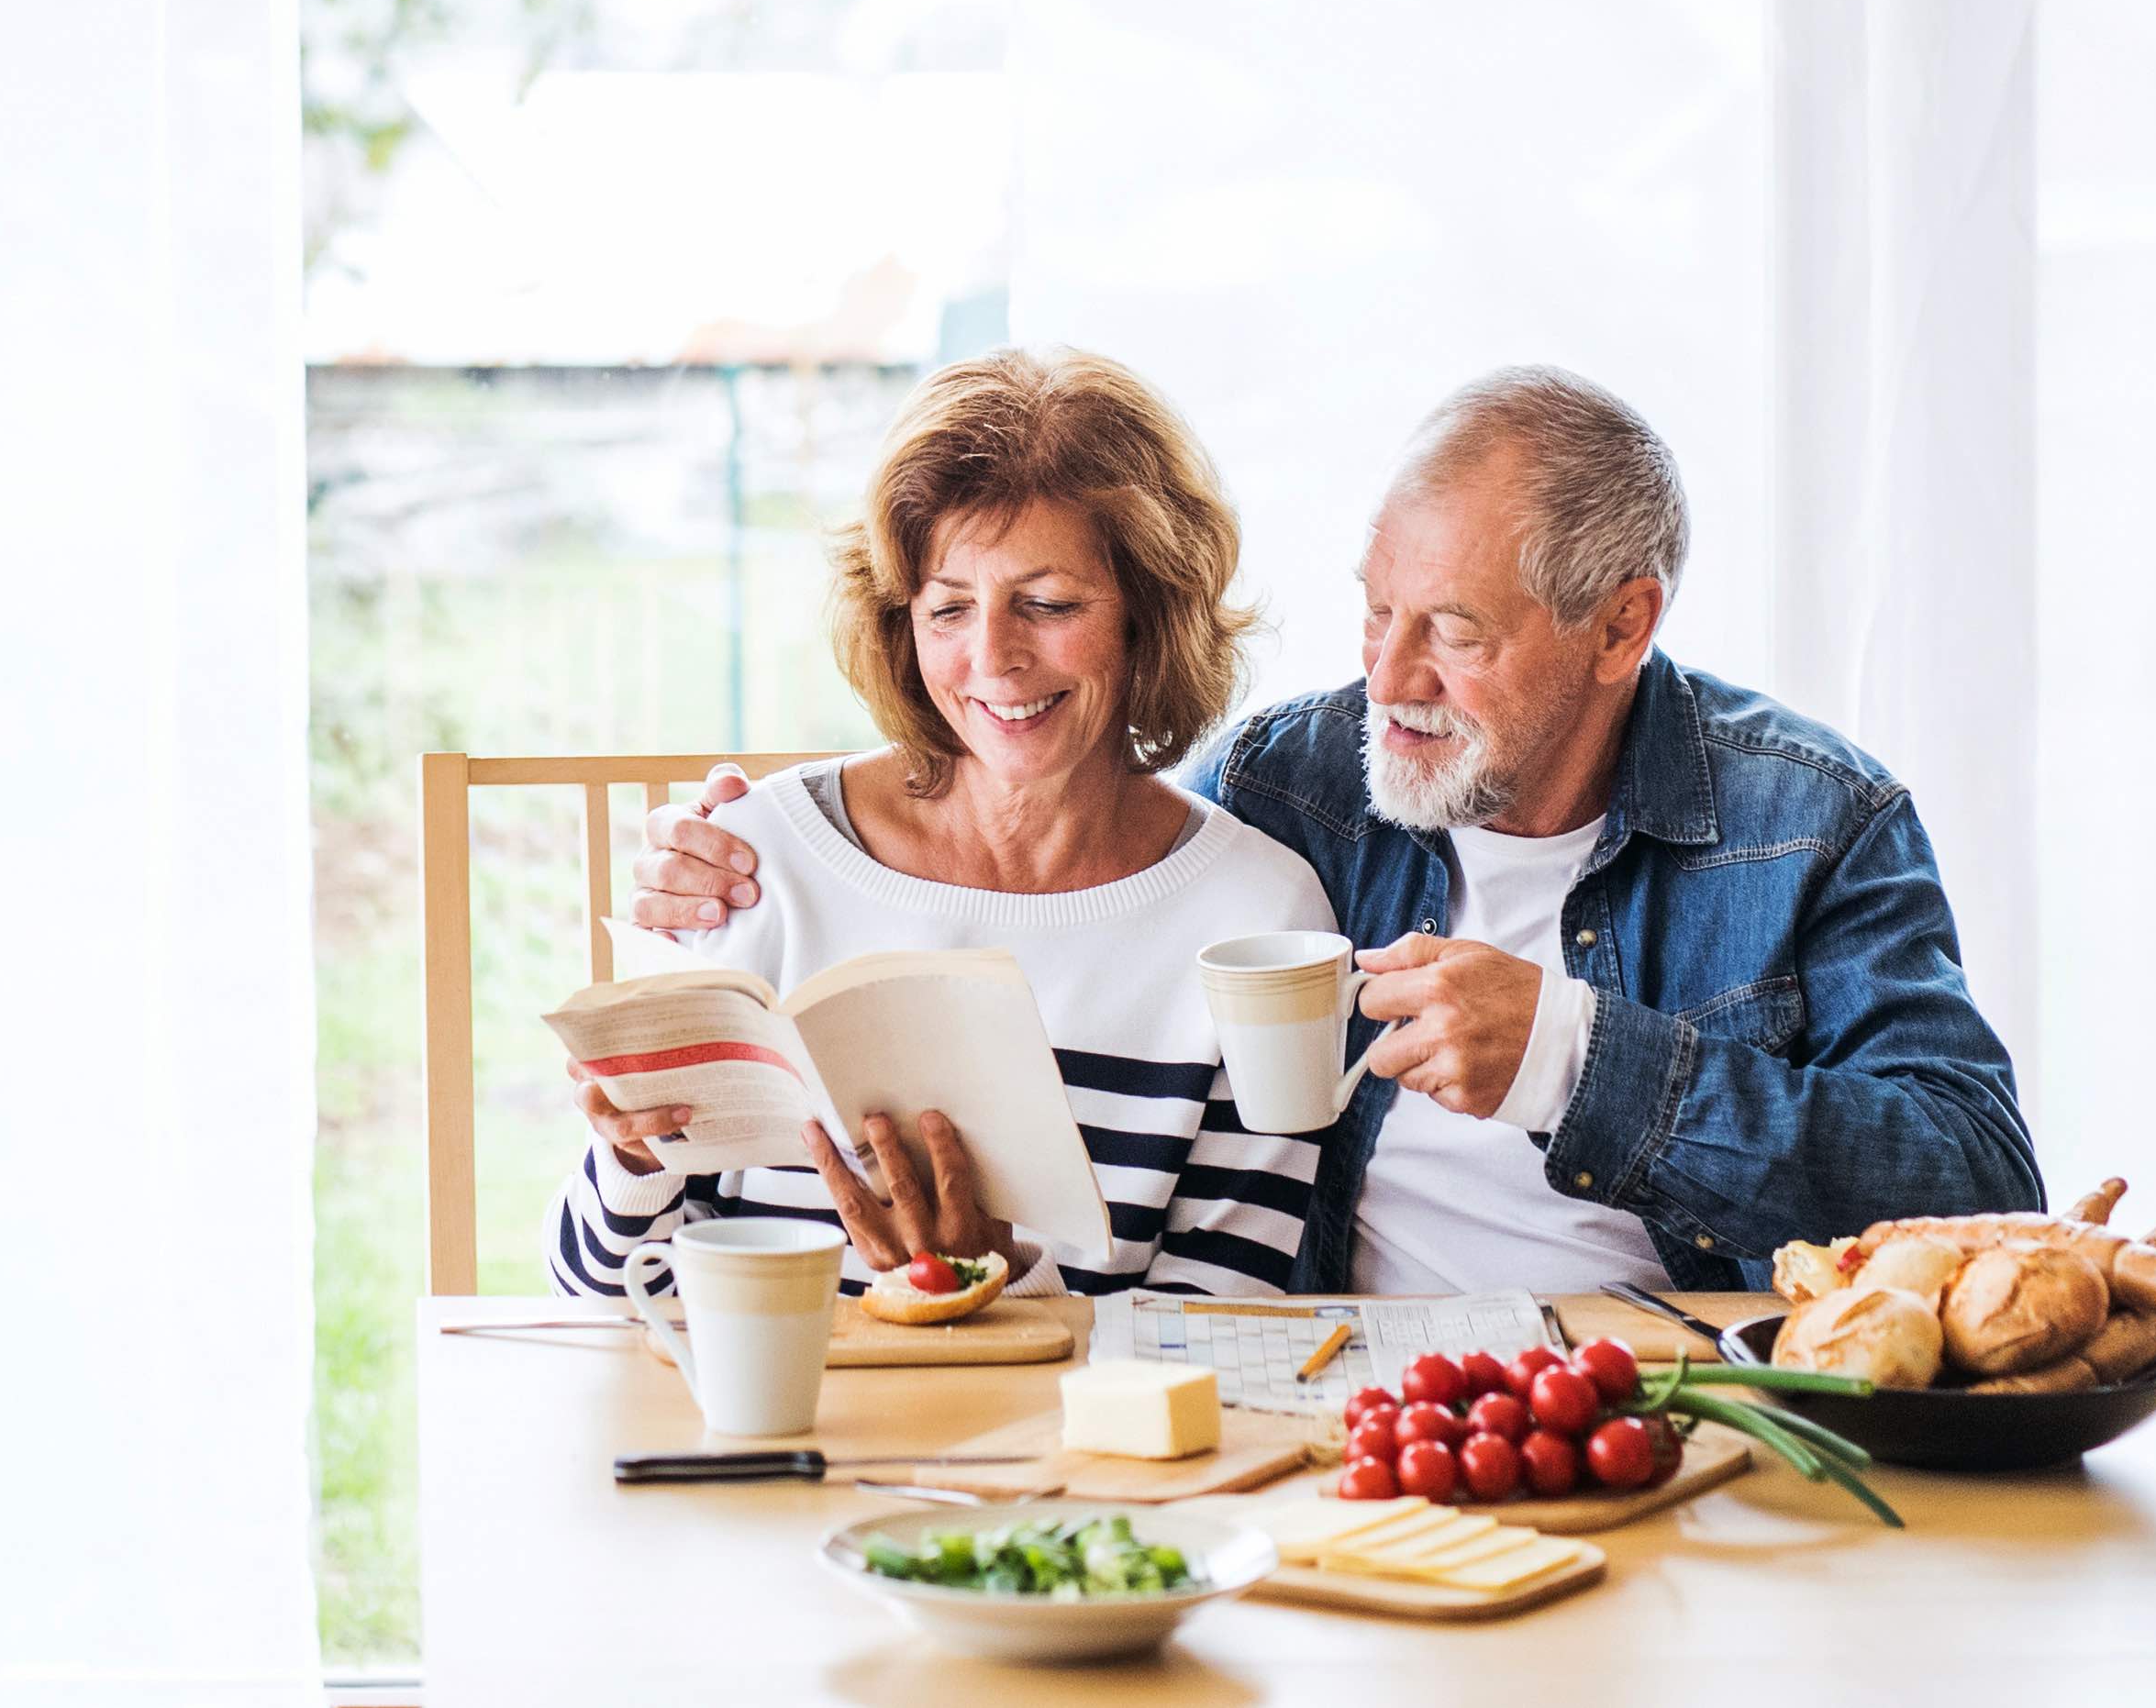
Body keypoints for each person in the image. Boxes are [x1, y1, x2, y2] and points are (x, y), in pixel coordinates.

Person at [628, 365, 2041, 1295]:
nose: (1387, 678)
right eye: (1375, 609)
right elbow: (1052, 868)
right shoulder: (1299, 781)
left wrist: (1572, 1057)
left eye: (1453, 632)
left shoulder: (1810, 822)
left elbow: (1982, 1190)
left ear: (1620, 624)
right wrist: (753, 850)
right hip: (1328, 1394)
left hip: (1680, 1396)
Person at [547, 349, 1347, 1303]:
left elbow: (1225, 1321)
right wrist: (632, 1162)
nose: (992, 659)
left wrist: (999, 1287)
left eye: (1047, 604)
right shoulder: (752, 861)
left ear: (1151, 612)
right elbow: (591, 1289)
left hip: (1067, 1447)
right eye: (948, 608)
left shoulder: (1256, 918)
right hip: (776, 1431)